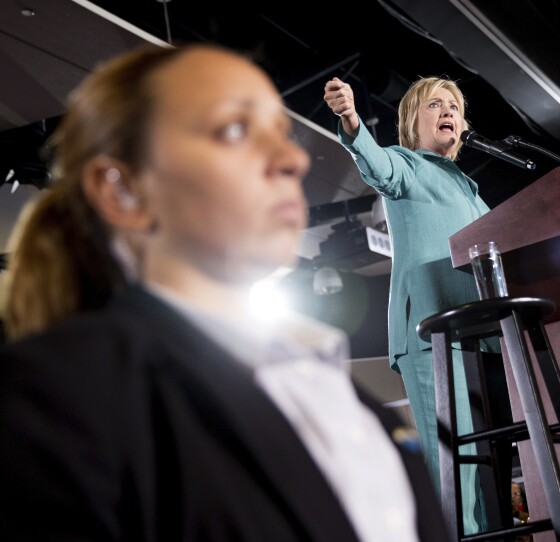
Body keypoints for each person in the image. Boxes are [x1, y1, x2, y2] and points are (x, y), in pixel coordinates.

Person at [0, 43, 450, 542]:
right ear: (122, 190)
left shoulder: (348, 401)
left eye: (281, 133)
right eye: (234, 130)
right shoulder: (60, 398)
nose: (292, 158)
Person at [324, 75, 494, 533]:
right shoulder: (406, 165)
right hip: (431, 330)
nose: (448, 113)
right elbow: (376, 164)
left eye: (454, 107)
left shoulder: (470, 190)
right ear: (409, 123)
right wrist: (351, 119)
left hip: (486, 336)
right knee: (455, 468)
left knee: (486, 467)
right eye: (434, 105)